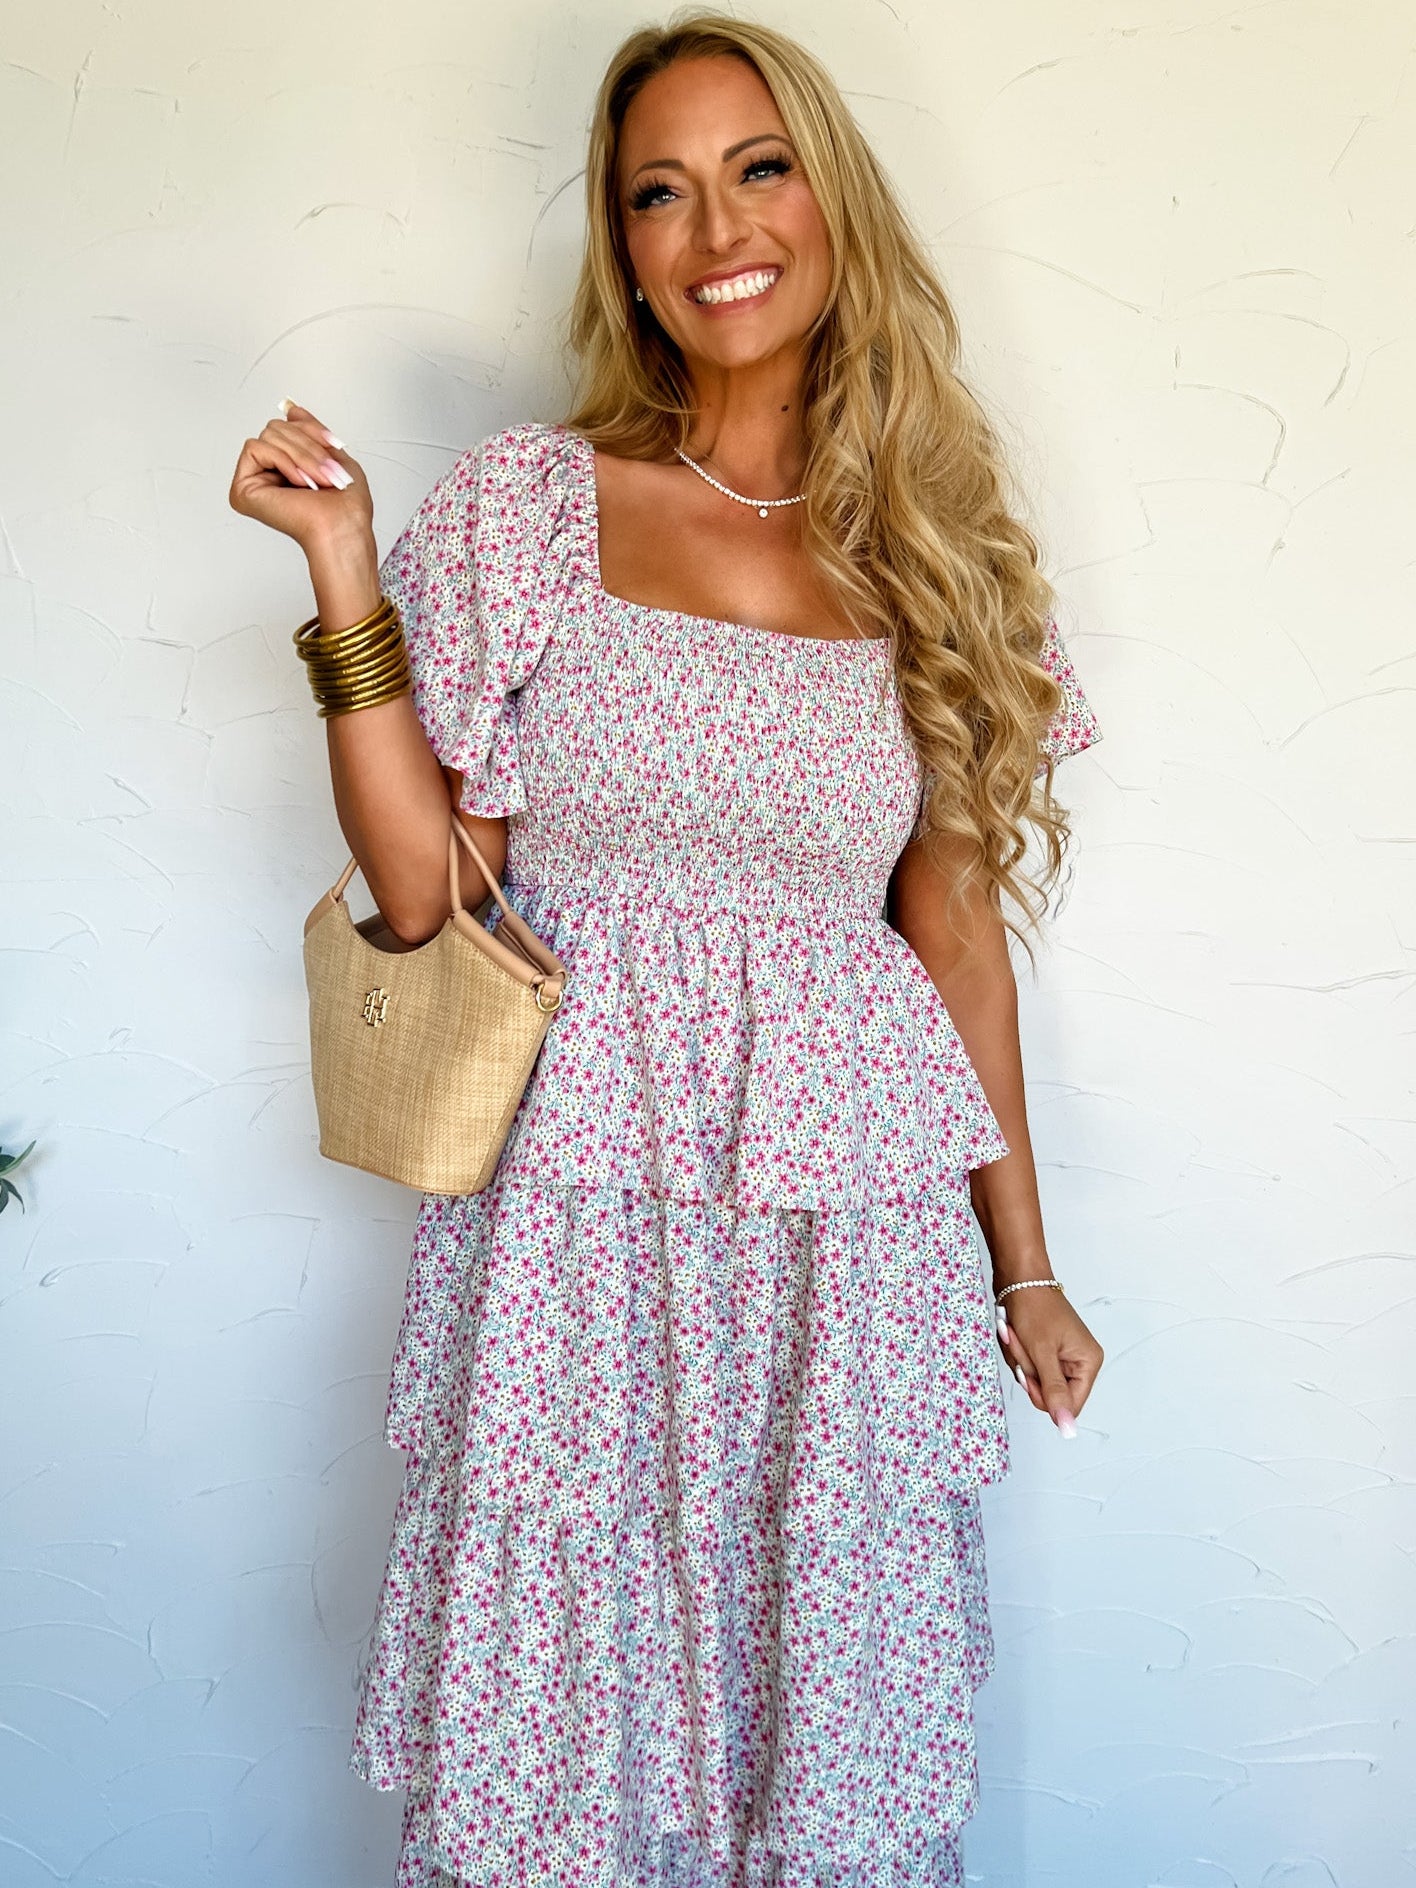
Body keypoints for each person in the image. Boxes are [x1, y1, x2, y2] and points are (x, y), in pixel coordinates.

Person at [229, 11, 1105, 1884]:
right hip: (581, 1210)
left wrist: (1023, 1268)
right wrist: (346, 582)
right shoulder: (532, 511)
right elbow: (423, 897)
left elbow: (951, 941)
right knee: (571, 1727)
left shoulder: (937, 559)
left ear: (832, 203)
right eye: (660, 190)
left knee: (825, 1695)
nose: (717, 227)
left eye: (757, 167)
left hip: (843, 1234)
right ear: (624, 248)